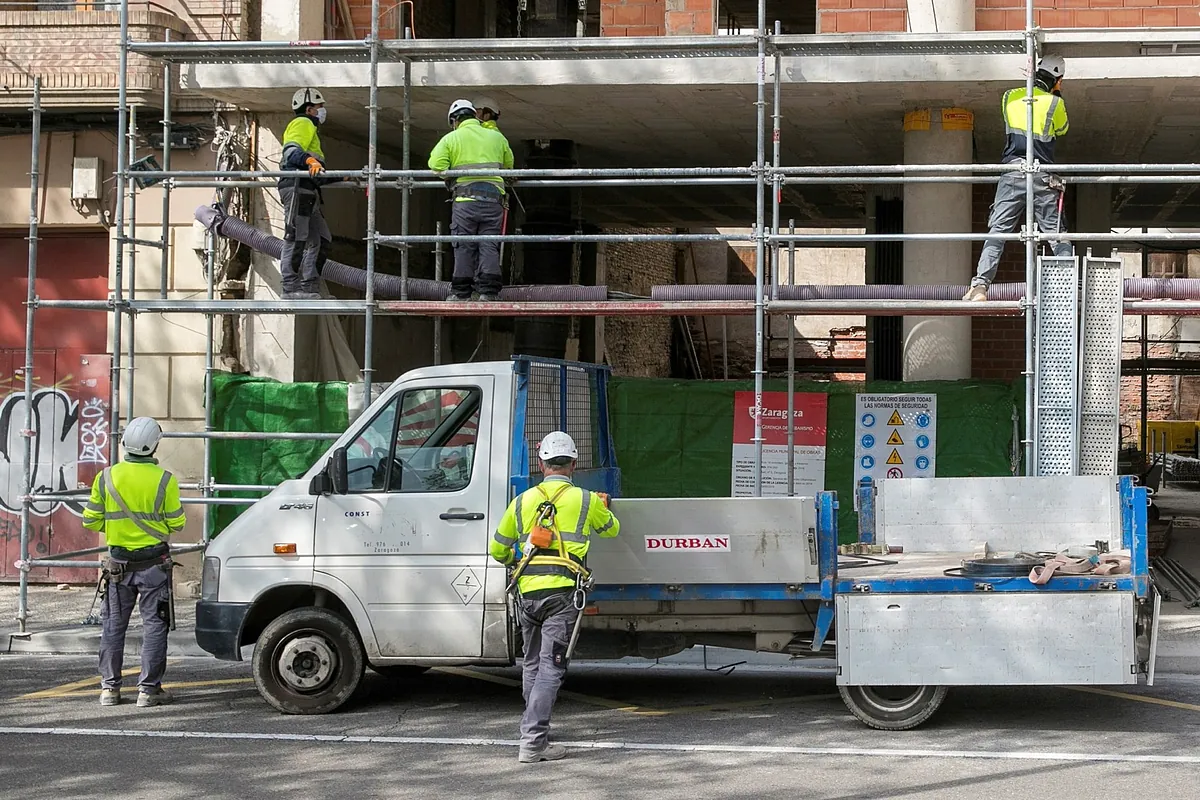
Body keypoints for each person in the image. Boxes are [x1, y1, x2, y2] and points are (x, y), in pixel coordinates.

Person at [489, 431, 620, 763]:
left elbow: (497, 550)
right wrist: (603, 506)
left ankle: (535, 729)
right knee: (551, 667)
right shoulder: (586, 500)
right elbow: (612, 530)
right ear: (574, 464)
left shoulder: (521, 502)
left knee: (532, 663)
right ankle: (533, 741)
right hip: (563, 594)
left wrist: (517, 562)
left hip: (527, 593)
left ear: (541, 463)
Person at [84, 416, 187, 708]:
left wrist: (118, 529)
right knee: (155, 625)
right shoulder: (165, 480)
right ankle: (149, 690)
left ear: (124, 443)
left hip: (118, 565)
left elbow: (90, 521)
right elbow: (177, 522)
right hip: (154, 564)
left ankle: (109, 690)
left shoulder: (105, 477)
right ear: (154, 446)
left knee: (113, 626)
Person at [964, 55, 1072, 302]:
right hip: (1042, 175)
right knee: (1056, 234)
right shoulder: (1055, 104)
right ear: (1058, 80)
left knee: (998, 231)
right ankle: (1067, 289)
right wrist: (1056, 96)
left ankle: (980, 286)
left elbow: (1010, 118)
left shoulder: (1009, 97)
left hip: (1013, 172)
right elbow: (1062, 129)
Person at [429, 99, 515, 301]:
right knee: (489, 245)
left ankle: (461, 293)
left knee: (464, 245)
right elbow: (509, 167)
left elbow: (436, 165)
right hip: (493, 201)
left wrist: (451, 175)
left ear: (455, 120)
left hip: (465, 201)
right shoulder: (496, 137)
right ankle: (489, 293)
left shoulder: (452, 138)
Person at [278, 87, 333, 300]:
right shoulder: (303, 123)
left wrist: (343, 178)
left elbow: (316, 172)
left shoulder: (311, 129)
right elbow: (291, 153)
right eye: (320, 107)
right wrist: (309, 160)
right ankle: (290, 288)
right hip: (296, 187)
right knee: (296, 236)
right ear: (310, 109)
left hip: (308, 189)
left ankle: (310, 287)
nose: (322, 111)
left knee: (321, 239)